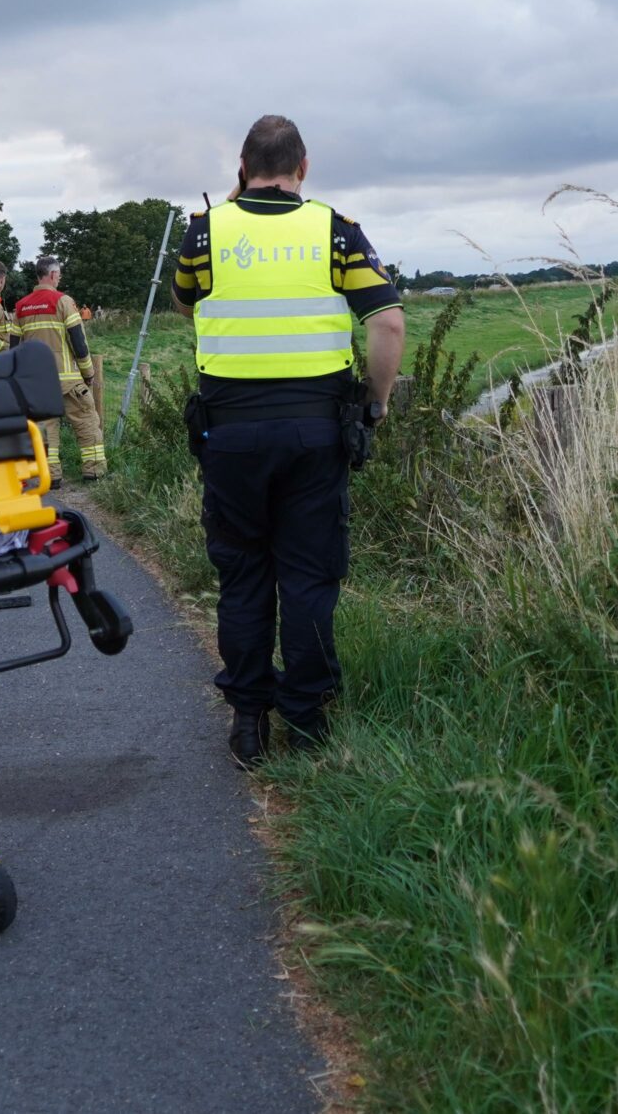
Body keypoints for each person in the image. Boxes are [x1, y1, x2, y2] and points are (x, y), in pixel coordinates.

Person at [175, 113, 403, 769]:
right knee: (308, 576)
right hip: (315, 434)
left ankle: (249, 722)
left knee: (244, 574)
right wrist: (376, 402)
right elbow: (387, 322)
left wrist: (229, 216)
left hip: (230, 434)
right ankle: (306, 724)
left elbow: (187, 304)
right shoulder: (336, 230)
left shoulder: (205, 231)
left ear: (243, 168)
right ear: (303, 168)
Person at [14, 258, 104, 483]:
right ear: (53, 275)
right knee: (86, 422)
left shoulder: (21, 307)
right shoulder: (63, 301)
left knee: (45, 430)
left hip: (37, 384)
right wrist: (88, 373)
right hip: (68, 381)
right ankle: (93, 472)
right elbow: (78, 342)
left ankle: (50, 476)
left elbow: (13, 349)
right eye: (60, 275)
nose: (60, 279)